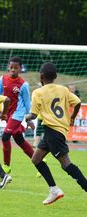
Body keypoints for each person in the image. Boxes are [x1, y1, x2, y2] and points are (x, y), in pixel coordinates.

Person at [26, 62, 87, 205]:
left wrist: (27, 118)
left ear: (41, 76)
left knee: (66, 164)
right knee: (36, 159)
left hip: (54, 132)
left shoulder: (38, 92)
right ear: (56, 76)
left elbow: (33, 115)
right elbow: (77, 102)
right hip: (52, 131)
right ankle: (53, 189)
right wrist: (72, 118)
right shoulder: (63, 89)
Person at [0, 56, 34, 174]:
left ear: (20, 69)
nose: (13, 70)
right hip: (8, 114)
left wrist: (28, 119)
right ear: (8, 67)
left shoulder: (23, 84)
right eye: (11, 67)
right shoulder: (2, 79)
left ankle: (6, 166)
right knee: (19, 140)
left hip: (18, 114)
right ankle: (39, 159)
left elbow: (27, 103)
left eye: (16, 68)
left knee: (5, 137)